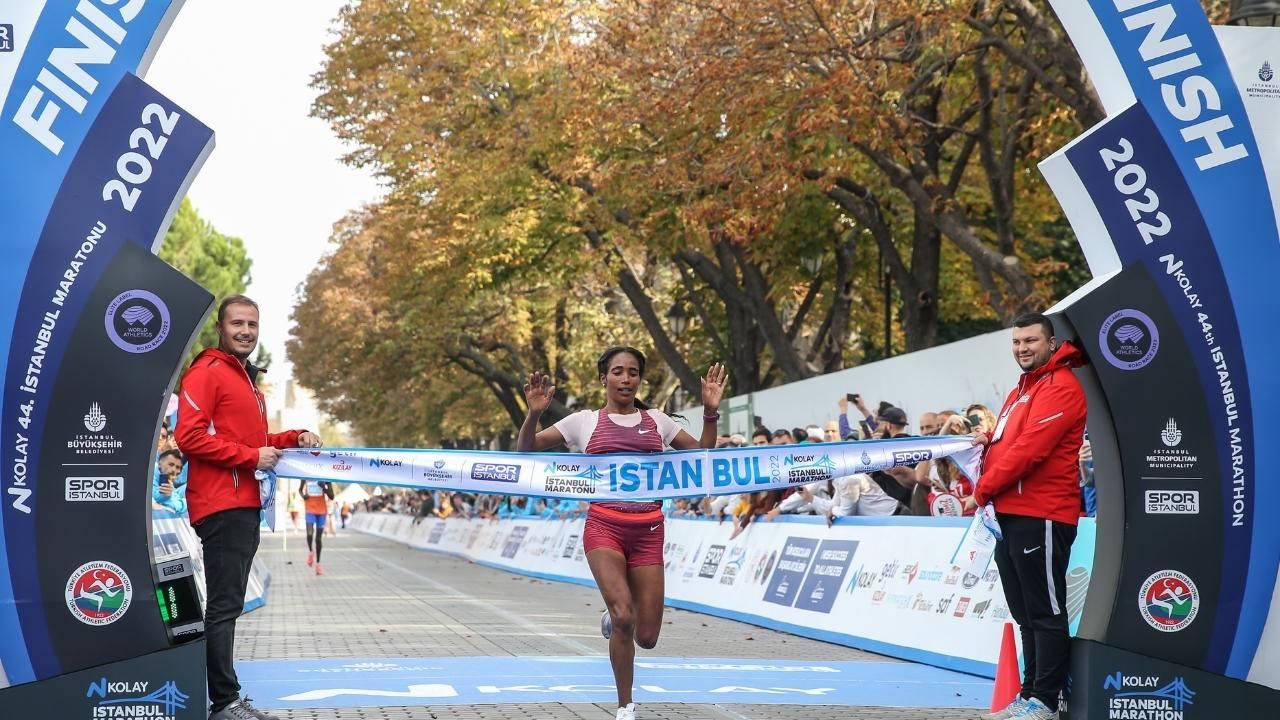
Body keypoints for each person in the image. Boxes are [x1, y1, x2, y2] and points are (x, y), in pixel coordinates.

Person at [517, 346, 727, 720]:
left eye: (633, 372)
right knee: (625, 617)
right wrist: (534, 413)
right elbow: (527, 448)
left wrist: (710, 411)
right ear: (604, 379)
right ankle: (625, 705)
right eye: (618, 372)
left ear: (639, 379)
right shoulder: (582, 422)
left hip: (649, 530)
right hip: (604, 527)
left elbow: (703, 454)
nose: (626, 379)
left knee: (647, 637)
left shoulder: (658, 421)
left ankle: (615, 616)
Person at [176, 295, 322, 720]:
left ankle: (227, 699)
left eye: (252, 324)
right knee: (224, 607)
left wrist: (294, 437)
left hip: (243, 503)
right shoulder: (207, 372)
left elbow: (256, 442)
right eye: (237, 323)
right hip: (220, 504)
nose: (245, 331)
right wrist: (250, 458)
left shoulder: (245, 380)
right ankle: (224, 702)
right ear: (220, 329)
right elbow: (189, 437)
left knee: (229, 605)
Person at [964, 313, 1086, 720]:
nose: (1022, 348)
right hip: (1009, 515)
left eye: (1031, 340)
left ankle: (1045, 702)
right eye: (1016, 342)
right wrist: (987, 440)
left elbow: (1029, 451)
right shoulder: (1023, 387)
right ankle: (1028, 694)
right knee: (1025, 614)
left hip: (1043, 513)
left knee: (1045, 612)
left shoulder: (1061, 386)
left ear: (1051, 343)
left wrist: (981, 490)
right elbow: (1009, 441)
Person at [299, 480, 335, 574]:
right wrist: (303, 496)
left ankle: (318, 564)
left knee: (318, 539)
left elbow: (332, 496)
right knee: (309, 534)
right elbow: (300, 490)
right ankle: (311, 551)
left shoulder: (325, 478)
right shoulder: (305, 476)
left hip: (321, 511)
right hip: (309, 509)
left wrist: (324, 488)